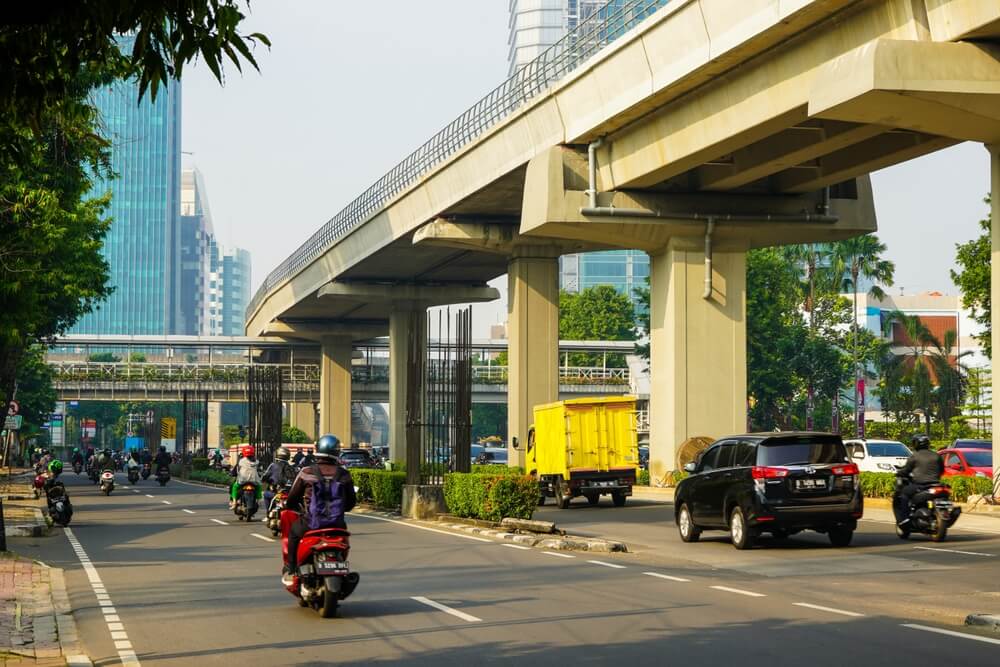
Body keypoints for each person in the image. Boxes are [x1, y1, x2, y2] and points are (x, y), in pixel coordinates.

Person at [282, 434, 356, 585]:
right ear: (336, 452)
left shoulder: (307, 472)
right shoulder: (344, 474)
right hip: (337, 525)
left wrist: (295, 507)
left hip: (311, 522)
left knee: (294, 533)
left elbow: (291, 499)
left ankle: (291, 568)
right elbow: (351, 503)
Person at [896, 434, 945, 526]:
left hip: (921, 486)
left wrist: (899, 473)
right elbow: (942, 470)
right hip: (936, 485)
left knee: (904, 494)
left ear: (916, 444)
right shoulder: (936, 455)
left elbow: (906, 470)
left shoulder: (915, 456)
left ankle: (905, 518)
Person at [262, 446, 297, 511]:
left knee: (265, 494)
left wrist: (264, 480)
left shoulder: (273, 465)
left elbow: (265, 476)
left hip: (275, 492)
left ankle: (268, 513)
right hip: (288, 493)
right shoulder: (291, 467)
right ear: (288, 456)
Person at [230, 445, 262, 509]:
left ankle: (234, 502)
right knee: (259, 487)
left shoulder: (241, 461)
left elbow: (236, 470)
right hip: (254, 481)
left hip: (242, 480)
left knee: (235, 487)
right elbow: (260, 470)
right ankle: (259, 501)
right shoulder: (257, 461)